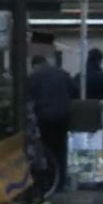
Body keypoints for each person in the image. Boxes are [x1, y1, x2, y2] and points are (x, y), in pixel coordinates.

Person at [27, 52, 72, 190]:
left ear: (35, 65)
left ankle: (49, 181)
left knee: (46, 148)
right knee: (61, 149)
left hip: (45, 117)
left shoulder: (34, 76)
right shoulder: (63, 73)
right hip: (63, 117)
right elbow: (74, 91)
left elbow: (28, 96)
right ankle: (60, 183)